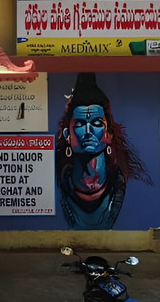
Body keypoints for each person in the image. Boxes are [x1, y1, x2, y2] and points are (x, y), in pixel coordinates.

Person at [55, 73, 147, 230]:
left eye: (97, 123)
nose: (88, 132)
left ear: (109, 134)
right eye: (80, 124)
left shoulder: (117, 182)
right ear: (67, 135)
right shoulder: (64, 183)